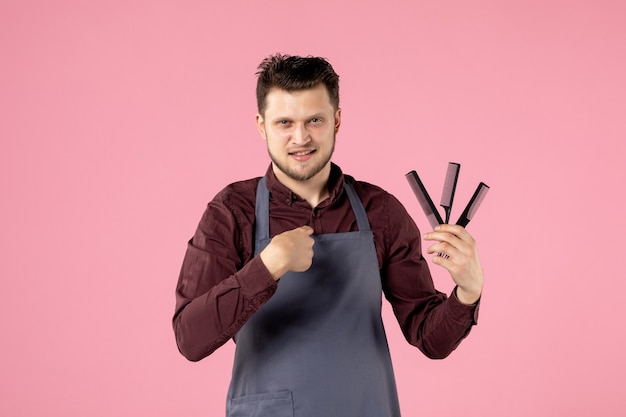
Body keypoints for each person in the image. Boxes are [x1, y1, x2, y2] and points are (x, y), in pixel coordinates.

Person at [173, 53, 484, 417]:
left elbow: (430, 338)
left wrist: (468, 291)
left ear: (337, 121)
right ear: (262, 125)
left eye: (315, 120)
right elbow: (189, 339)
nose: (300, 137)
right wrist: (266, 267)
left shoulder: (379, 212)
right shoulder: (231, 212)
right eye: (284, 122)